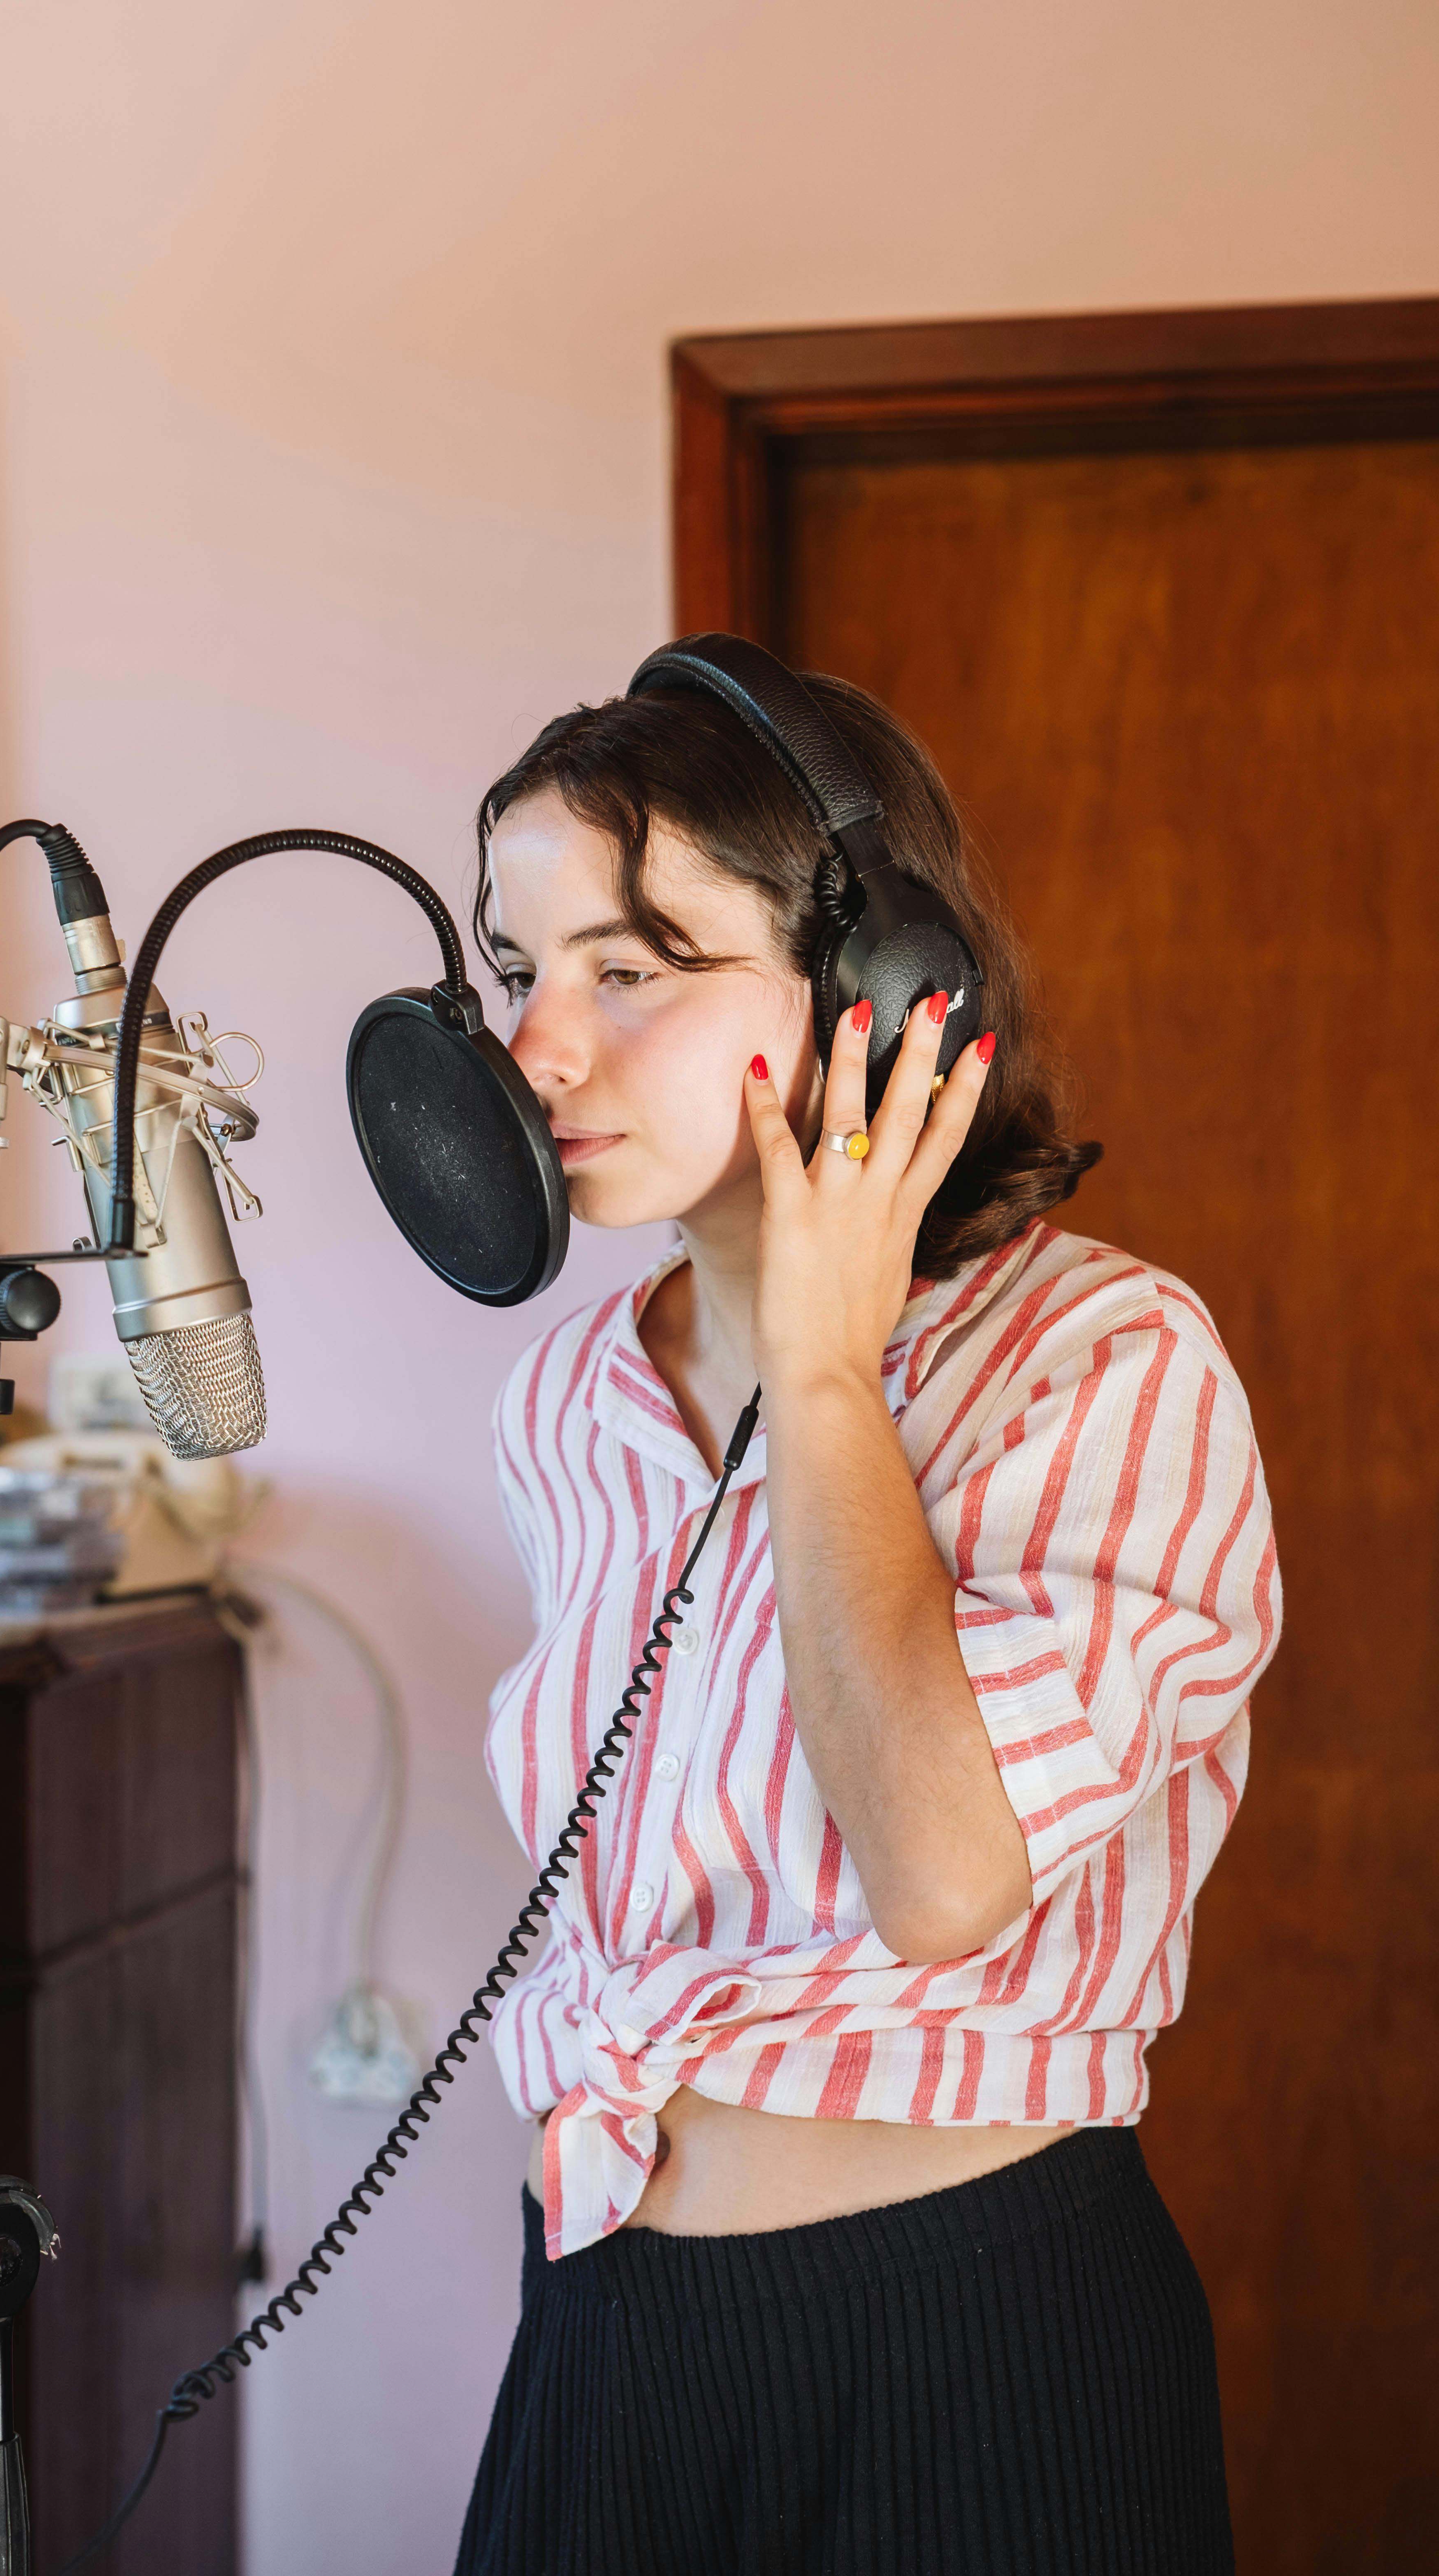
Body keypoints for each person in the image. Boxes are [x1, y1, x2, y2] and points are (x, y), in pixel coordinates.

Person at [452, 659, 1280, 2576]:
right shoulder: (566, 1408)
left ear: (883, 992)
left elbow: (936, 1872)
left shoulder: (1103, 1357)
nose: (541, 1046)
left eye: (631, 967)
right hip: (603, 2345)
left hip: (961, 2355)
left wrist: (822, 1379)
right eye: (521, 969)